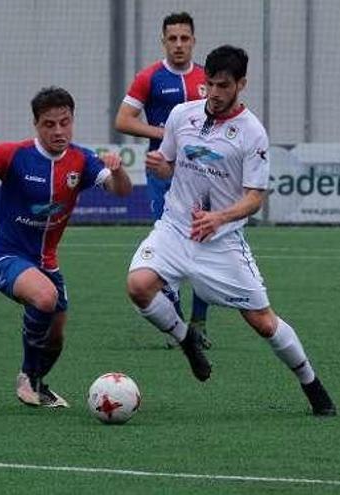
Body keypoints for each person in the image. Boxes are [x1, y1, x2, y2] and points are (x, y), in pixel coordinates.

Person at [125, 45, 337, 416]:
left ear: (241, 84)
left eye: (224, 85)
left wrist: (220, 218)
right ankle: (185, 339)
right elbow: (172, 164)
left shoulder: (252, 133)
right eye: (209, 84)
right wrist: (162, 167)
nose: (214, 93)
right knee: (138, 286)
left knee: (263, 322)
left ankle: (311, 385)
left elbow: (255, 198)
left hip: (220, 242)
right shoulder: (181, 115)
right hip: (175, 229)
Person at [0, 86, 132, 408]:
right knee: (45, 298)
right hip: (4, 256)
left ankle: (38, 384)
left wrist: (118, 170)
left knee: (56, 337)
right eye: (49, 124)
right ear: (36, 124)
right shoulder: (14, 155)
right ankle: (26, 378)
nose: (58, 130)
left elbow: (121, 191)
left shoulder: (82, 159)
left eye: (65, 122)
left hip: (47, 262)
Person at [115, 11, 212, 350]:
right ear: (164, 41)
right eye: (173, 38)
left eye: (185, 38)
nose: (179, 45)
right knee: (168, 244)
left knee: (203, 243)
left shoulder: (206, 77)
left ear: (194, 41)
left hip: (202, 176)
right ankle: (178, 322)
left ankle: (200, 323)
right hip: (162, 173)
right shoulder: (150, 77)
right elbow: (123, 120)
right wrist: (164, 132)